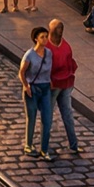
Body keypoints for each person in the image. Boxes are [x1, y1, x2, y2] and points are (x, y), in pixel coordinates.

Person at [23, 25, 58, 161]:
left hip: (45, 89)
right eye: (42, 37)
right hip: (32, 89)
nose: (45, 39)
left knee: (47, 120)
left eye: (46, 36)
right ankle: (28, 145)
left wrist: (51, 81)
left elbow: (51, 69)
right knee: (31, 117)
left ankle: (44, 149)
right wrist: (26, 86)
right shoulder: (29, 55)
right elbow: (21, 72)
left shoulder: (49, 53)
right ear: (36, 39)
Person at [47, 19, 81, 157]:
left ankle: (47, 146)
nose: (60, 31)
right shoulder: (62, 46)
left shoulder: (53, 47)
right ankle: (72, 145)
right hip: (59, 85)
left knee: (52, 114)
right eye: (58, 28)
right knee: (62, 114)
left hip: (59, 85)